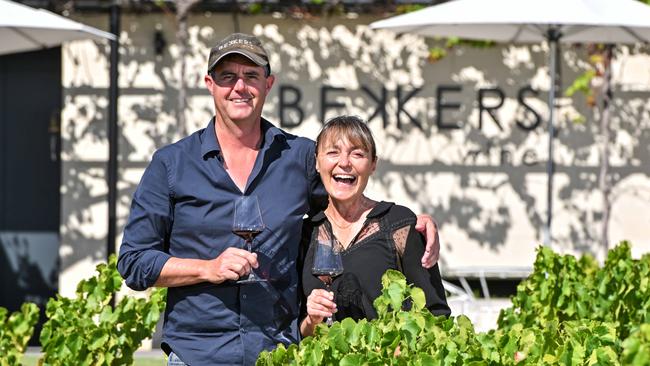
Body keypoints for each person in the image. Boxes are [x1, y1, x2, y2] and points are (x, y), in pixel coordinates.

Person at [117, 33, 440, 366]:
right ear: (209, 84)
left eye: (251, 76)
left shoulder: (298, 156)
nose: (239, 86)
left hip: (278, 352)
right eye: (228, 76)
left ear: (268, 84)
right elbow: (134, 262)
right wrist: (207, 268)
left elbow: (343, 204)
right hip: (197, 354)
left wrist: (404, 221)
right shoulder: (171, 164)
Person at [300, 116, 450, 337]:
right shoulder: (304, 234)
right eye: (333, 152)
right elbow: (298, 332)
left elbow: (437, 315)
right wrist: (312, 321)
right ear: (316, 162)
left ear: (373, 164)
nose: (344, 162)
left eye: (357, 154)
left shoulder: (399, 225)